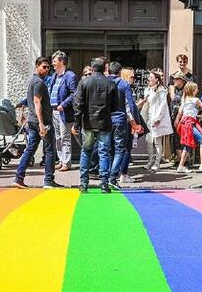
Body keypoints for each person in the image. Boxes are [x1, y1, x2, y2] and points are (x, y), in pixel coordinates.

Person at [13, 57, 63, 189]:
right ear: (37, 66)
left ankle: (19, 177)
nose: (47, 70)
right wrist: (41, 123)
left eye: (48, 67)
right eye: (44, 67)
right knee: (50, 150)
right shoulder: (39, 83)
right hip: (42, 122)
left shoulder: (34, 81)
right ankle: (48, 180)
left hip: (33, 121)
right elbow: (36, 102)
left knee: (30, 149)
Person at [72, 57, 118, 193]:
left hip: (88, 123)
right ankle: (104, 184)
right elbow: (115, 106)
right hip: (104, 122)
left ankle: (84, 183)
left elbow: (78, 105)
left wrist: (76, 123)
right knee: (104, 153)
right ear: (105, 68)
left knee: (86, 151)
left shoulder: (84, 83)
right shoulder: (111, 84)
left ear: (92, 69)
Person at [107, 61, 143, 190]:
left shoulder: (104, 83)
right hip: (120, 120)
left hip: (105, 120)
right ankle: (113, 177)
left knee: (107, 149)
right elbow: (131, 105)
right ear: (119, 72)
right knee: (120, 149)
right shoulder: (124, 84)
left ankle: (106, 177)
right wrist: (136, 123)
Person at [138, 68, 173, 172]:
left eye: (151, 77)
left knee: (157, 142)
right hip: (148, 118)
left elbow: (163, 105)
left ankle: (157, 162)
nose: (149, 79)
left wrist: (158, 118)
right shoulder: (148, 90)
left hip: (157, 119)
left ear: (157, 79)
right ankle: (150, 160)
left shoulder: (162, 90)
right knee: (148, 141)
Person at [48, 50, 78, 172]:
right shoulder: (54, 76)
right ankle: (61, 160)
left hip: (63, 111)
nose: (52, 64)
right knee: (58, 138)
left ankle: (66, 162)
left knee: (65, 138)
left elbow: (74, 93)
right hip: (54, 111)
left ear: (62, 62)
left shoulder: (70, 76)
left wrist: (63, 105)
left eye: (54, 61)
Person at [169, 71, 188, 165]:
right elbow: (173, 98)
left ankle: (183, 160)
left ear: (182, 81)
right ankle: (177, 158)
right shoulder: (174, 89)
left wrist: (177, 117)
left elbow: (183, 104)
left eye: (176, 79)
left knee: (181, 136)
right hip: (174, 115)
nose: (174, 80)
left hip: (182, 116)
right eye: (174, 79)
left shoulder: (186, 90)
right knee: (175, 137)